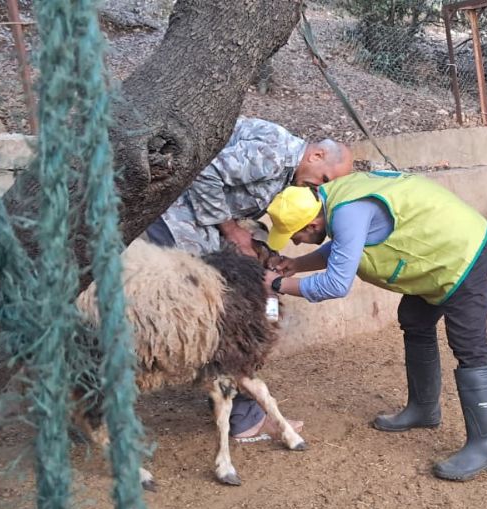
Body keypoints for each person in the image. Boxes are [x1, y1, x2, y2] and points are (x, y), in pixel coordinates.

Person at [262, 171, 487, 480]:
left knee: (468, 344)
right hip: (436, 255)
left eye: (295, 236)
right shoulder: (334, 199)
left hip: (466, 254)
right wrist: (298, 264)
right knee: (415, 321)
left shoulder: (348, 212)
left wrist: (281, 283)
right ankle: (424, 408)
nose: (295, 242)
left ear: (312, 224)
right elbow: (344, 247)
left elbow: (337, 284)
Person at [145, 117, 354, 442]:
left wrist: (267, 266)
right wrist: (234, 234)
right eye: (323, 178)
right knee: (228, 330)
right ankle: (242, 416)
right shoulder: (275, 155)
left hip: (196, 236)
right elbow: (205, 172)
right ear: (315, 156)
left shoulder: (286, 175)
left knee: (238, 330)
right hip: (176, 230)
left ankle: (239, 411)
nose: (319, 187)